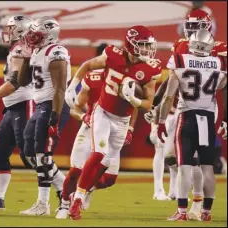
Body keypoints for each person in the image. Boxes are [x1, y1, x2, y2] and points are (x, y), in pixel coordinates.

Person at [66, 25, 161, 220]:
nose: (147, 50)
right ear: (131, 44)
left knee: (106, 164)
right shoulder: (112, 55)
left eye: (148, 45)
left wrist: (134, 100)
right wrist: (73, 85)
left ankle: (82, 192)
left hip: (123, 119)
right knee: (98, 153)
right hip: (102, 112)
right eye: (142, 45)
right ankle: (76, 200)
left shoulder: (150, 68)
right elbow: (87, 65)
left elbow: (148, 103)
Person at [144, 8, 227, 220]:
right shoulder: (216, 59)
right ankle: (202, 208)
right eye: (189, 27)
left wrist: (158, 115)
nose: (191, 32)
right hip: (201, 111)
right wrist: (155, 106)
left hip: (192, 110)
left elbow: (172, 82)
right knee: (176, 157)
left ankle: (195, 204)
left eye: (196, 27)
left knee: (190, 162)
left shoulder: (218, 51)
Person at [56, 70, 137, 219]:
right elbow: (75, 108)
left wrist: (130, 129)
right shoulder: (93, 78)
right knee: (75, 170)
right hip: (91, 127)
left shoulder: (125, 79)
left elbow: (134, 106)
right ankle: (65, 203)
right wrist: (83, 116)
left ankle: (86, 189)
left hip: (114, 128)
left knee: (109, 179)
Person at [15, 16, 71, 216]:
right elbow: (21, 81)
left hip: (53, 105)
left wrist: (55, 116)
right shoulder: (37, 50)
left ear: (49, 36)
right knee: (28, 153)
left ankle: (43, 204)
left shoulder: (56, 52)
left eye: (36, 35)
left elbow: (60, 88)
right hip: (40, 105)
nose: (32, 38)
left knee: (42, 155)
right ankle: (67, 189)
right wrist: (24, 56)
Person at [0, 14, 34, 210]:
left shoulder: (22, 49)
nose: (7, 33)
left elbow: (14, 83)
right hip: (13, 106)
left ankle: (63, 190)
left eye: (11, 29)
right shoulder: (17, 48)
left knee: (32, 156)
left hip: (24, 103)